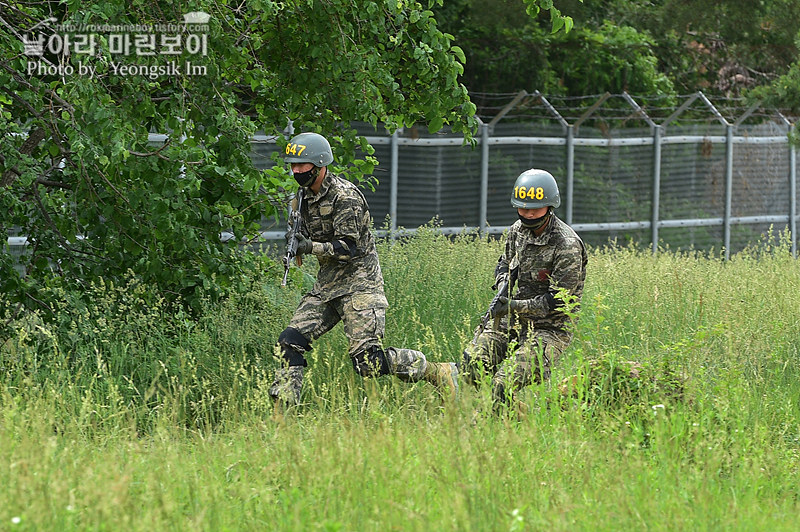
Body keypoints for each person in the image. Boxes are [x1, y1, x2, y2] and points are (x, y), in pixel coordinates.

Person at [270, 132, 458, 407]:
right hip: (327, 288)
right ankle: (282, 415)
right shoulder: (299, 199)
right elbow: (298, 236)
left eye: (303, 166)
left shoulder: (345, 197)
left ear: (320, 165)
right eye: (293, 166)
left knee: (368, 363)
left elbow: (347, 248)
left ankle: (437, 372)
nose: (297, 171)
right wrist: (294, 247)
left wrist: (309, 247)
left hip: (360, 286)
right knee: (289, 342)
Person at [461, 168, 587, 411]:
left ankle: (514, 422)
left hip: (550, 329)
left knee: (502, 385)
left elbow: (558, 302)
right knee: (472, 366)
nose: (528, 214)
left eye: (535, 208)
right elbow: (504, 263)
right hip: (512, 319)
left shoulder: (566, 245)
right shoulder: (516, 231)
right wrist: (502, 286)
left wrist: (514, 305)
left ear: (550, 206)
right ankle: (513, 413)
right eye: (523, 207)